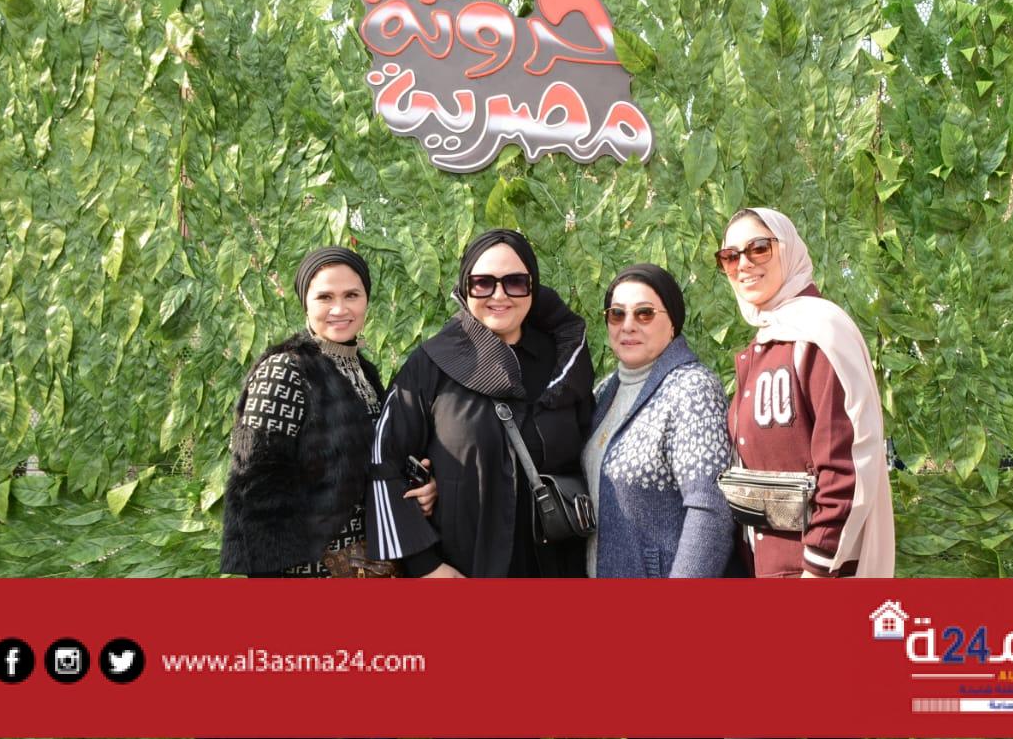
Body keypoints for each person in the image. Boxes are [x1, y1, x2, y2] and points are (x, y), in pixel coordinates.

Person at [369, 229, 595, 578]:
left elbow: (590, 457)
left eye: (515, 282)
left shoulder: (563, 363)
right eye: (483, 283)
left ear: (532, 287)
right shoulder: (431, 365)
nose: (499, 295)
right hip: (464, 573)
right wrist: (427, 566)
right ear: (465, 287)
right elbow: (384, 460)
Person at [220, 246, 436, 577]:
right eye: (324, 297)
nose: (339, 308)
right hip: (310, 573)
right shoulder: (285, 370)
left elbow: (371, 464)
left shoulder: (362, 370)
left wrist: (420, 488)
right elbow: (256, 493)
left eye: (352, 295)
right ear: (305, 303)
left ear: (366, 300)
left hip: (371, 565)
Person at [717, 208, 895, 577]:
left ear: (788, 249)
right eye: (730, 257)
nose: (744, 264)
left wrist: (817, 567)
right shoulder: (768, 342)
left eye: (759, 248)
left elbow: (847, 461)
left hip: (815, 574)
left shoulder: (822, 332)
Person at [586, 264, 735, 578]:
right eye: (617, 314)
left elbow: (710, 510)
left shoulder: (692, 389)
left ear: (673, 322)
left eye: (644, 314)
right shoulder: (604, 392)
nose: (628, 326)